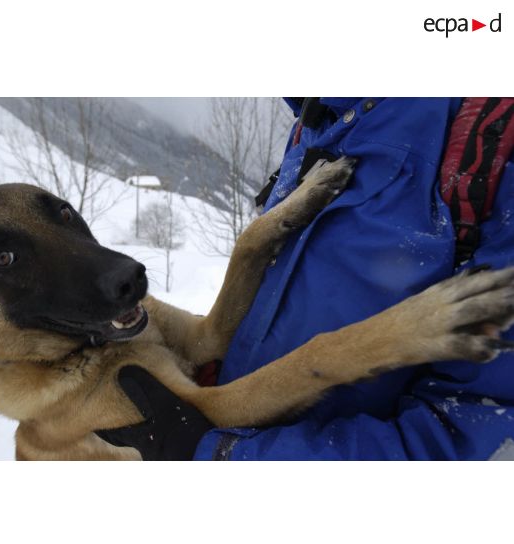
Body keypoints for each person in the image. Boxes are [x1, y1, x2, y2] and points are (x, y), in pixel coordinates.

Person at [99, 97, 514, 460]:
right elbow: (261, 326)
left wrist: (219, 454)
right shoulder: (316, 124)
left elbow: (472, 436)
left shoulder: (489, 131)